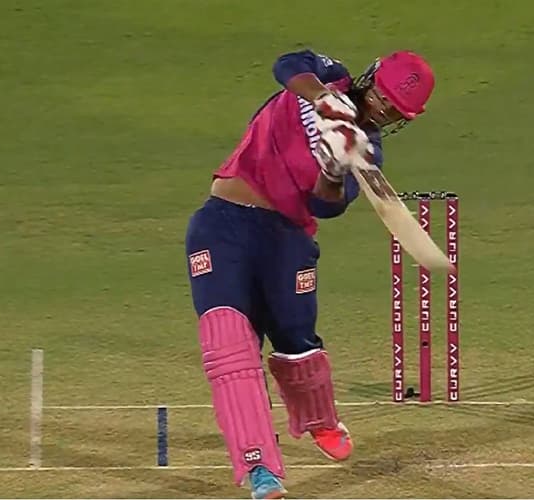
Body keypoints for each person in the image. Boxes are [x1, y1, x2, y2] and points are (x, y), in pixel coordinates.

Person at [184, 48, 435, 499]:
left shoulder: (367, 151)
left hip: (287, 239)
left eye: (395, 109)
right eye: (382, 96)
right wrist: (324, 99)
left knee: (296, 342)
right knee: (227, 344)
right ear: (371, 78)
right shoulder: (329, 76)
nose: (383, 109)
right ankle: (260, 468)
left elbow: (325, 206)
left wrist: (334, 167)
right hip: (223, 222)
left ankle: (320, 419)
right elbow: (286, 66)